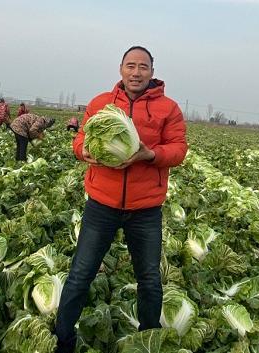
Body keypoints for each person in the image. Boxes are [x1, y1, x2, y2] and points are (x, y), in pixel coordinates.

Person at [55, 46, 188, 353]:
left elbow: (178, 149)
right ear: (120, 69)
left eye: (143, 67)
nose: (136, 72)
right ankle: (62, 340)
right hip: (102, 204)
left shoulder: (168, 108)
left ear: (152, 73)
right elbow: (80, 138)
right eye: (131, 65)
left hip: (146, 209)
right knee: (80, 274)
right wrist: (82, 150)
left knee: (150, 280)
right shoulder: (101, 103)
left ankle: (149, 339)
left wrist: (149, 154)